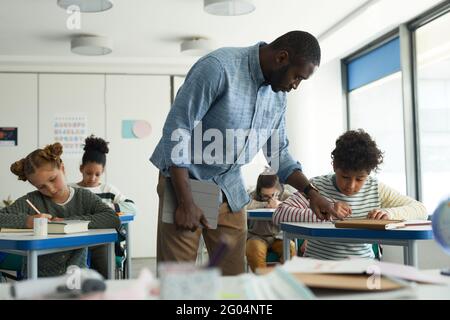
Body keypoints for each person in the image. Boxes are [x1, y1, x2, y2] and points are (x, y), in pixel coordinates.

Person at [151, 30, 341, 275]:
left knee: (233, 280)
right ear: (282, 58)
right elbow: (177, 129)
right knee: (178, 279)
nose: (295, 86)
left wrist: (311, 194)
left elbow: (279, 154)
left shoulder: (277, 97)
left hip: (229, 187)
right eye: (297, 77)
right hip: (189, 181)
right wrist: (186, 201)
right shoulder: (219, 67)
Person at [273, 129, 428, 260]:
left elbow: (421, 210)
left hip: (363, 267)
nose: (351, 186)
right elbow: (279, 215)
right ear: (334, 166)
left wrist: (387, 213)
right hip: (318, 266)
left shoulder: (375, 189)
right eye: (345, 177)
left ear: (368, 173)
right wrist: (325, 212)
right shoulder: (316, 187)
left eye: (360, 179)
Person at [0, 142, 120, 277]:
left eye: (52, 179)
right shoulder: (32, 200)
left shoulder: (83, 197)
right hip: (39, 279)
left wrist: (67, 222)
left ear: (62, 169)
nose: (50, 189)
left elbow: (112, 219)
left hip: (76, 277)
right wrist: (28, 221)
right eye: (41, 187)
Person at [70, 135, 137, 278]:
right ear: (81, 168)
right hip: (74, 240)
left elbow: (132, 208)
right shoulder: (70, 189)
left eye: (97, 174)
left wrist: (105, 207)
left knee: (106, 273)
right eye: (88, 173)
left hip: (101, 241)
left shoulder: (107, 190)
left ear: (103, 171)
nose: (92, 178)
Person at [246, 173, 296, 272]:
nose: (270, 199)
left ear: (279, 190)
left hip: (279, 237)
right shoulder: (252, 196)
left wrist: (280, 204)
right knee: (255, 249)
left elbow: (299, 205)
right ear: (259, 191)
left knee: (291, 247)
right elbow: (245, 206)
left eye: (273, 195)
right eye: (265, 196)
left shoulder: (285, 195)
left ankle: (284, 281)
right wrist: (266, 204)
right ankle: (263, 282)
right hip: (257, 236)